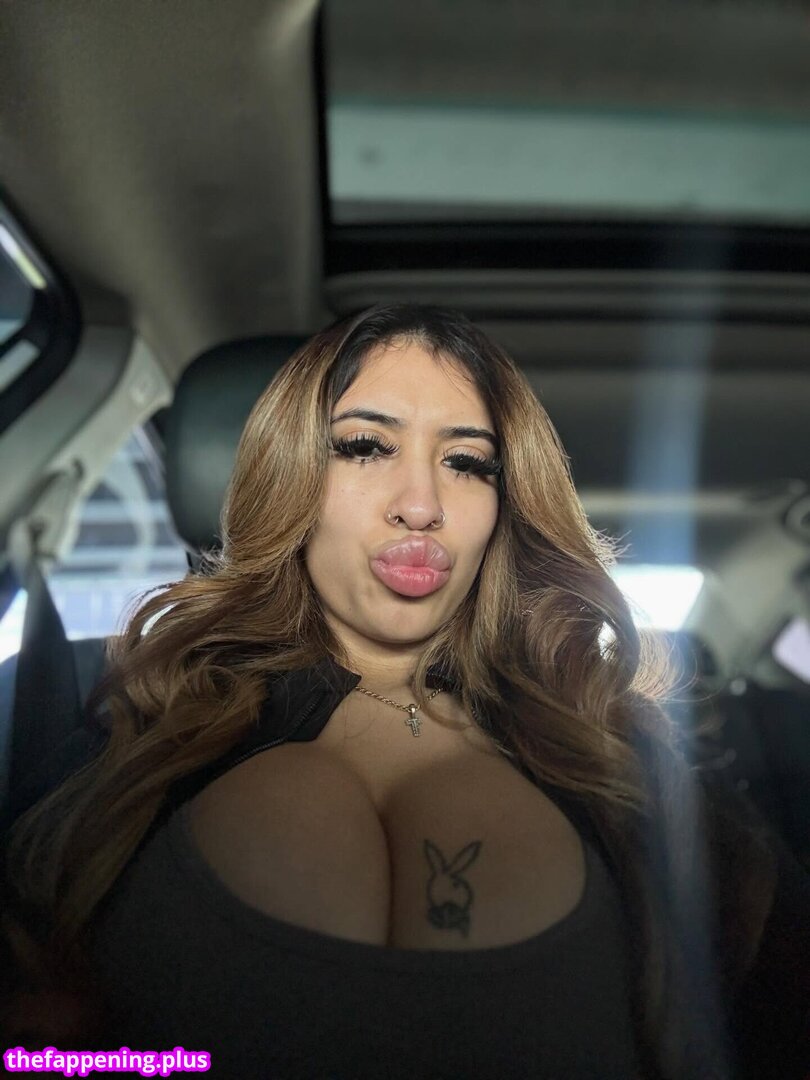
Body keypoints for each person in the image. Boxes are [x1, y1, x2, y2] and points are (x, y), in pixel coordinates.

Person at [1, 304, 807, 1079]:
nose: (421, 506)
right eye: (364, 447)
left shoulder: (622, 761)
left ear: (504, 502)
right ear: (290, 475)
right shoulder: (113, 712)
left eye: (467, 462)